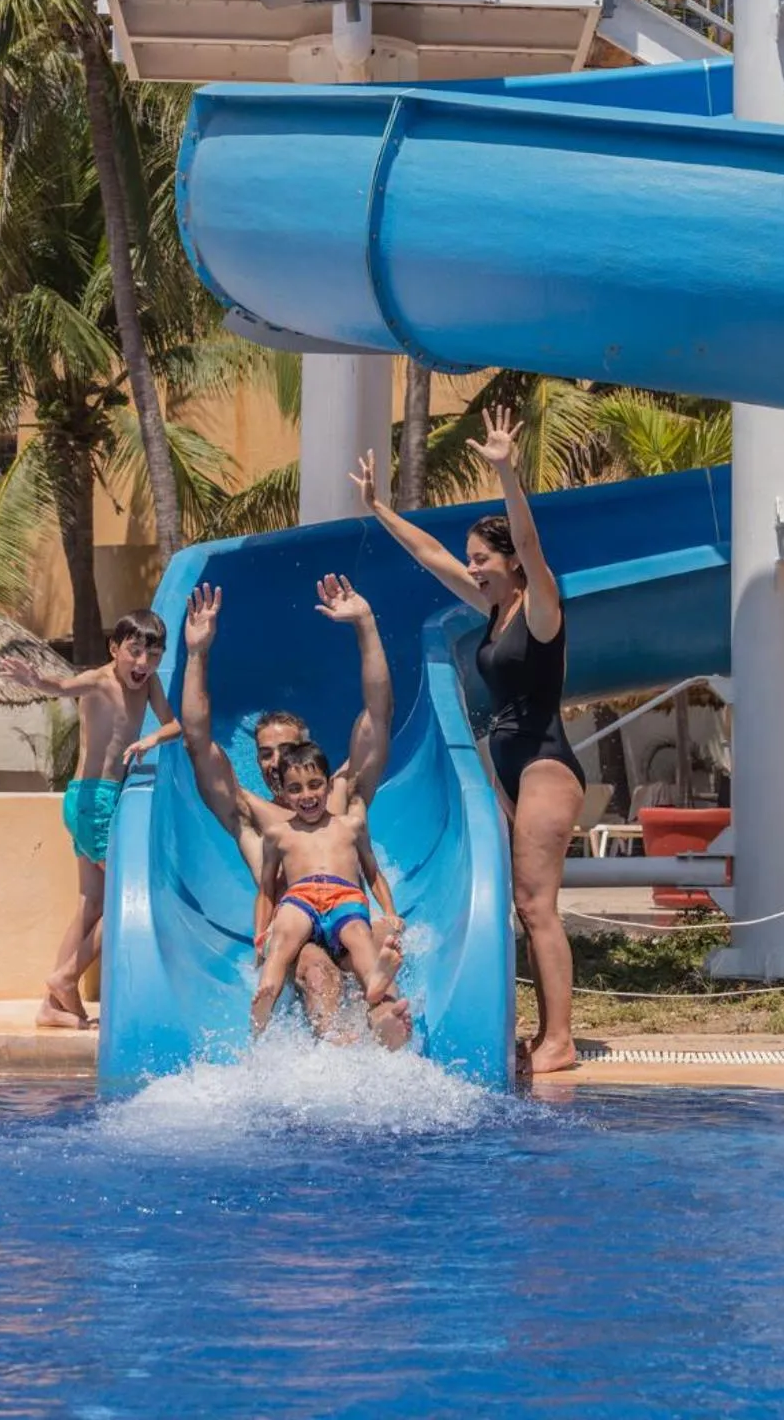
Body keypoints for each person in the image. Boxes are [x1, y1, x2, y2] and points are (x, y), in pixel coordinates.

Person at [351, 406, 584, 1076]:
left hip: (543, 763)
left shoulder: (539, 608)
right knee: (517, 903)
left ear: (509, 564)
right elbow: (428, 556)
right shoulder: (492, 608)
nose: (472, 569)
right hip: (508, 766)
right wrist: (377, 508)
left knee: (538, 905)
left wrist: (506, 471)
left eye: (482, 560)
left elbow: (532, 546)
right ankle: (537, 1032)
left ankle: (559, 1040)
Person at [131, 575, 411, 1049]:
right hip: (298, 935)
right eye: (265, 753)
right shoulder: (252, 817)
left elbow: (377, 716)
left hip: (350, 918)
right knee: (317, 971)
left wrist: (365, 624)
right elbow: (197, 744)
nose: (277, 761)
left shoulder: (341, 796)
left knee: (376, 946)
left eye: (287, 749)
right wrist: (198, 654)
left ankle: (389, 1028)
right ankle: (337, 1055)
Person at [1, 610, 179, 1030]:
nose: (142, 664)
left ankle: (56, 1005)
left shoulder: (149, 684)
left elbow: (174, 724)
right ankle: (66, 976)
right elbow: (62, 686)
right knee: (122, 897)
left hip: (95, 801)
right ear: (114, 649)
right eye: (134, 652)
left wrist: (152, 737)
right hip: (92, 802)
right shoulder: (100, 681)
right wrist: (34, 680)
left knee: (90, 904)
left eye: (152, 655)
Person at [251, 741, 404, 1036]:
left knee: (359, 935)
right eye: (294, 788)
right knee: (284, 935)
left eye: (314, 785)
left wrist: (390, 913)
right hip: (301, 897)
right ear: (282, 792)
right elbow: (268, 889)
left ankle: (376, 984)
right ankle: (267, 990)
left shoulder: (350, 826)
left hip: (343, 896)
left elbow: (373, 873)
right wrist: (260, 933)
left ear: (329, 784)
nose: (306, 795)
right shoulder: (277, 834)